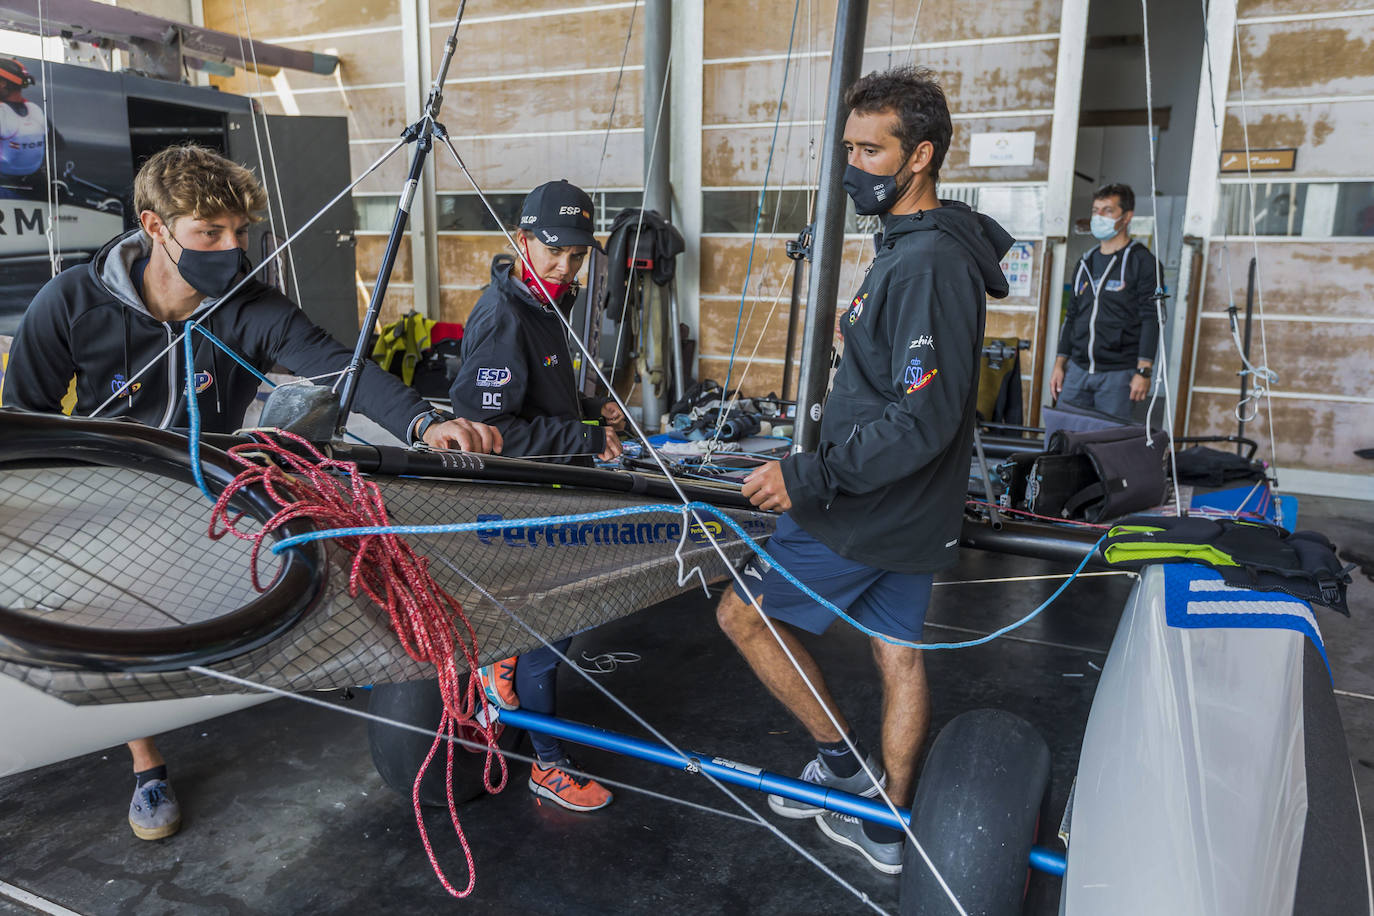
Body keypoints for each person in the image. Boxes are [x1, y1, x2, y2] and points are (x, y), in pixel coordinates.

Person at [1, 143, 502, 840]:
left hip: (208, 486)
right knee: (118, 626)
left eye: (240, 232)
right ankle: (146, 762)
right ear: (154, 226)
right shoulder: (73, 303)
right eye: (209, 233)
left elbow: (337, 367)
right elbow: (22, 415)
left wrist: (426, 420)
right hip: (110, 492)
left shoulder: (247, 307)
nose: (232, 250)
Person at [714, 67, 1011, 875]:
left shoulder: (927, 265)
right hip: (906, 510)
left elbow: (925, 413)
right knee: (896, 653)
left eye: (869, 150)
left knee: (744, 615)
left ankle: (841, 765)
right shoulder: (919, 248)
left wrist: (811, 477)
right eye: (847, 147)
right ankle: (887, 825)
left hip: (864, 510)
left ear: (919, 157)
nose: (853, 166)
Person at [450, 179, 625, 813]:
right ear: (522, 241)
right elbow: (485, 432)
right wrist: (581, 432)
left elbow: (535, 399)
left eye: (577, 255)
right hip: (516, 504)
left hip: (551, 488)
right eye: (554, 251)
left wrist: (586, 407)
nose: (565, 265)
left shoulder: (546, 299)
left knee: (558, 625)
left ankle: (501, 675)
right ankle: (546, 765)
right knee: (553, 631)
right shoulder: (504, 314)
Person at [1050, 183, 1161, 419]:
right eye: (1095, 210)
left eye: (1107, 210)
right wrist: (1060, 364)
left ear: (1127, 216)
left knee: (1106, 446)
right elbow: (1072, 316)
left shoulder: (1142, 262)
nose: (1099, 216)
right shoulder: (1085, 262)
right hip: (1077, 371)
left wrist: (1144, 371)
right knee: (1062, 438)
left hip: (1118, 375)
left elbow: (1152, 319)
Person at [0, 58, 47, 191]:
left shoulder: (2, 113)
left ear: (3, 83)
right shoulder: (35, 110)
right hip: (33, 177)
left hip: (6, 179)